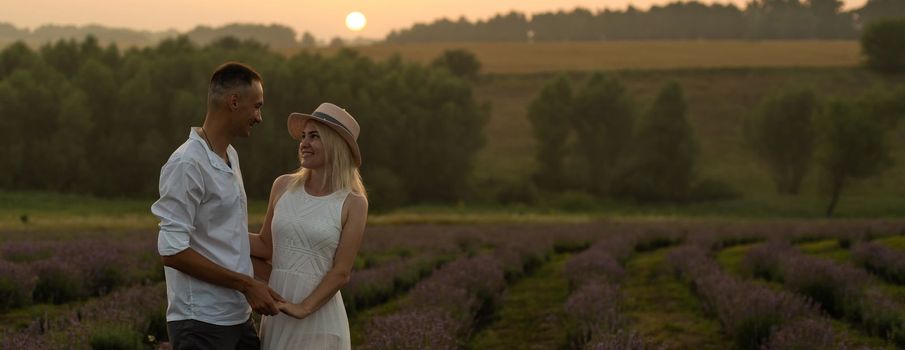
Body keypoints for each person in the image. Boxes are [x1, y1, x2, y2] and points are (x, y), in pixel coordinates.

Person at [151, 62, 284, 349]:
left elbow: (222, 235)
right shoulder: (187, 163)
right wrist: (247, 285)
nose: (259, 117)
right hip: (201, 323)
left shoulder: (230, 156)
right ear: (234, 102)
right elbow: (172, 251)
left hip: (238, 317)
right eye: (257, 106)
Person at [250, 102, 369, 350]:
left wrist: (303, 308)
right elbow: (265, 246)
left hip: (319, 318)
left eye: (314, 136)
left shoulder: (353, 203)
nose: (304, 143)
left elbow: (341, 272)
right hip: (278, 312)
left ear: (336, 144)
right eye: (303, 136)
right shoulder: (282, 186)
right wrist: (213, 233)